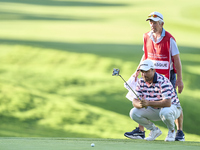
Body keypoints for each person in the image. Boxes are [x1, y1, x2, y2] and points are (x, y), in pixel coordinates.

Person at [124, 11, 185, 141]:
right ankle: (141, 131)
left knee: (173, 102)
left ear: (162, 23)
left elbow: (176, 60)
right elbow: (145, 55)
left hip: (167, 76)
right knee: (142, 98)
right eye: (150, 22)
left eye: (155, 22)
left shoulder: (169, 39)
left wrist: (179, 79)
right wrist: (137, 71)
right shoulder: (146, 37)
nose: (152, 25)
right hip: (149, 74)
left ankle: (179, 132)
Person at [125, 59, 182, 141]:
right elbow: (134, 101)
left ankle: (172, 131)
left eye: (146, 71)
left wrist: (148, 103)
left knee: (165, 112)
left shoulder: (162, 80)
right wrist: (141, 104)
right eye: (142, 71)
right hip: (155, 110)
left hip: (173, 109)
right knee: (134, 112)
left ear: (153, 70)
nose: (144, 74)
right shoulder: (141, 81)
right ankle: (154, 130)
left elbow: (168, 103)